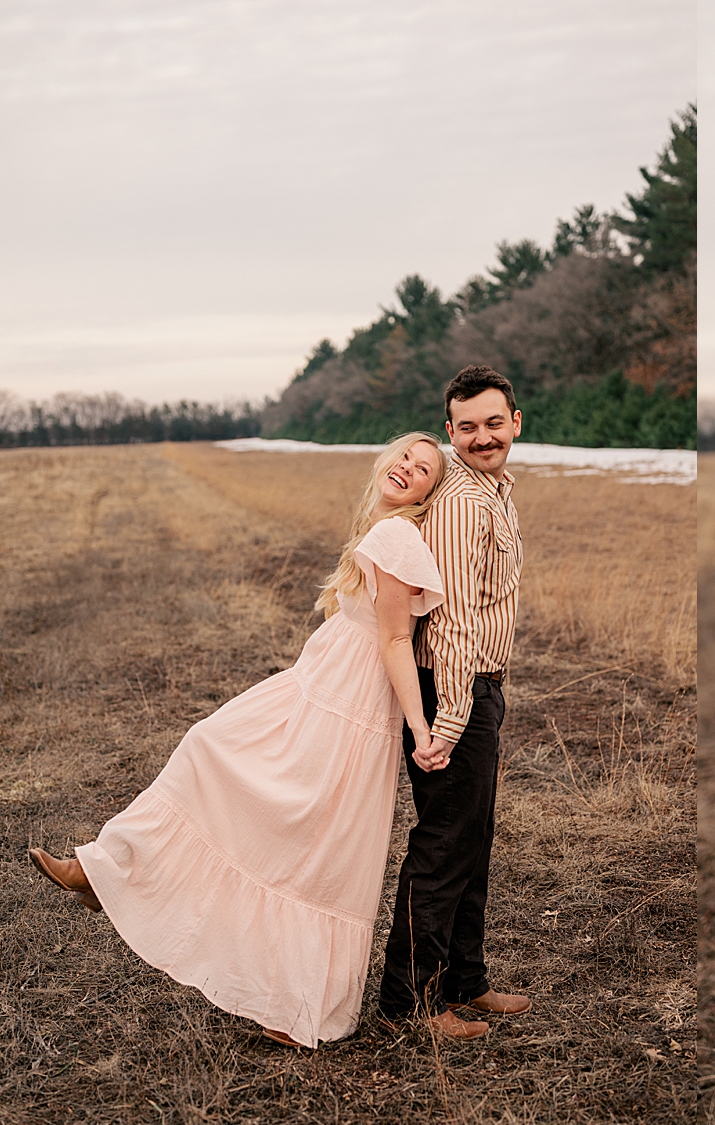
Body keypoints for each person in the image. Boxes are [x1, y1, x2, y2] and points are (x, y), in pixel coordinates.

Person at [28, 432, 451, 1049]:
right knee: (299, 824)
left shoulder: (396, 537)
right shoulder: (384, 529)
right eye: (404, 458)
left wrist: (419, 727)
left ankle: (115, 874)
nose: (408, 469)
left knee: (286, 815)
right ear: (385, 463)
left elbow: (393, 642)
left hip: (346, 702)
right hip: (324, 686)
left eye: (423, 470)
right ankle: (109, 873)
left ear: (428, 492)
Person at [376, 365, 528, 1040]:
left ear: (515, 421)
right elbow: (456, 620)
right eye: (467, 427)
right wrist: (451, 719)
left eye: (493, 422)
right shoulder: (464, 501)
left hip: (477, 685)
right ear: (450, 431)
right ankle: (410, 1002)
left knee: (474, 837)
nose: (482, 436)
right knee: (442, 844)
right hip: (453, 688)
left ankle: (468, 980)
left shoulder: (495, 488)